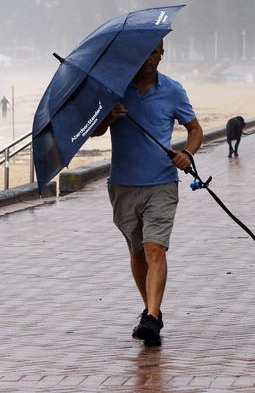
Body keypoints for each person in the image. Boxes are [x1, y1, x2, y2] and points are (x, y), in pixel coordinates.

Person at [92, 40, 203, 346]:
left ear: (162, 54)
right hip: (123, 184)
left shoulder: (173, 90)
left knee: (155, 248)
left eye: (155, 52)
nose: (150, 57)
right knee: (137, 251)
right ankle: (150, 310)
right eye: (144, 51)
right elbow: (93, 130)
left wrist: (188, 155)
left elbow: (195, 130)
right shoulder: (116, 90)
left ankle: (152, 318)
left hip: (162, 183)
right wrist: (109, 116)